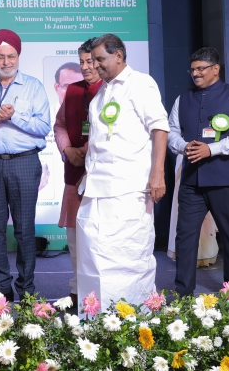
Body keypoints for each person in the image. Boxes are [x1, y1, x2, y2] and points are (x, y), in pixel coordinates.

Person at [76, 33, 169, 311]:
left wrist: (158, 174)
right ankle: (95, 318)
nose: (95, 66)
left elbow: (160, 128)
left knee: (128, 255)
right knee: (93, 254)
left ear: (119, 56)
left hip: (128, 187)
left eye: (100, 59)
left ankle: (132, 317)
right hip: (95, 188)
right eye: (92, 60)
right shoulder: (101, 93)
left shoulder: (141, 84)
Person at [169, 47, 229, 297]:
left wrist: (213, 149)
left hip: (226, 180)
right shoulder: (182, 99)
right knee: (185, 238)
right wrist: (184, 145)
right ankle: (183, 294)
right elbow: (171, 133)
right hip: (191, 181)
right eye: (193, 69)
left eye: (201, 68)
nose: (195, 73)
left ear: (215, 69)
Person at [0, 29, 51, 302]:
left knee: (24, 229)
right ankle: (2, 289)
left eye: (11, 56)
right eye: (1, 56)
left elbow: (44, 127)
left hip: (25, 163)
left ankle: (27, 288)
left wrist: (14, 117)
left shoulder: (33, 87)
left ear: (18, 56)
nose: (6, 61)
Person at [53, 38, 103, 306]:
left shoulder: (110, 90)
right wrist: (69, 150)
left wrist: (86, 148)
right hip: (74, 173)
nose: (85, 67)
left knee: (97, 240)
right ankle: (76, 289)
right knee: (74, 239)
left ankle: (97, 292)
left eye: (90, 62)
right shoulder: (72, 91)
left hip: (101, 177)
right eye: (82, 62)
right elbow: (59, 125)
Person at [167, 153, 219, 268]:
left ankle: (204, 253)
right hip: (186, 157)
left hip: (208, 156)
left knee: (205, 209)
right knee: (186, 212)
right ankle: (187, 258)